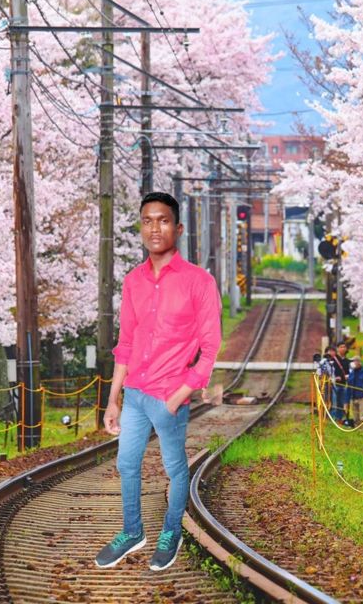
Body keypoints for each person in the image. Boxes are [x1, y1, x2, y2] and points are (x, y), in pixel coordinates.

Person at [95, 192, 222, 572]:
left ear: (178, 228)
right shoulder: (133, 281)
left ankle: (171, 531)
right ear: (141, 227)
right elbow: (126, 344)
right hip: (134, 394)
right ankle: (132, 531)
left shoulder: (199, 282)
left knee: (174, 468)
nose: (155, 228)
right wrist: (113, 399)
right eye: (148, 220)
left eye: (163, 220)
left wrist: (180, 394)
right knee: (126, 464)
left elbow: (210, 347)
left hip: (169, 395)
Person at [347, 356, 363, 423]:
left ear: (359, 362)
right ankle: (357, 429)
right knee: (355, 418)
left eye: (354, 361)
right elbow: (348, 387)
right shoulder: (351, 374)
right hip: (353, 398)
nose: (353, 363)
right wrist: (347, 400)